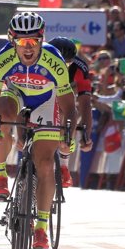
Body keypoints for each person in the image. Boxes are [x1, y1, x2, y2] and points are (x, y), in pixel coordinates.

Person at [0, 12, 77, 249]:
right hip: (16, 95)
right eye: (22, 42)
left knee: (45, 165)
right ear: (11, 40)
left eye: (33, 41)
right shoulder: (3, 58)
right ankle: (1, 175)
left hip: (46, 102)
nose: (27, 48)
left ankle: (41, 228)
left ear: (42, 39)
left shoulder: (53, 59)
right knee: (2, 114)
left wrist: (68, 134)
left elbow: (69, 106)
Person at [48, 37, 94, 187]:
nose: (62, 66)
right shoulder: (39, 60)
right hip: (42, 93)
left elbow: (85, 103)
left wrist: (86, 134)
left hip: (64, 98)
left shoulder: (80, 68)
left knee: (67, 113)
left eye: (67, 63)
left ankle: (64, 164)